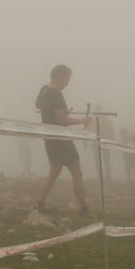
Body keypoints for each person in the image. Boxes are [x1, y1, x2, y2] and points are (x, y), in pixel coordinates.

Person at [35, 64, 91, 213]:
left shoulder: (44, 90)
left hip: (49, 136)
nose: (67, 83)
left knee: (54, 171)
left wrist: (62, 110)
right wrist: (83, 121)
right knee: (77, 172)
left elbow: (39, 106)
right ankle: (84, 208)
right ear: (60, 76)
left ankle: (40, 204)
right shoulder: (56, 94)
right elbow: (62, 121)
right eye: (67, 79)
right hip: (61, 138)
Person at [90, 104, 114, 182]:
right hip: (96, 142)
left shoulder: (104, 119)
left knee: (105, 160)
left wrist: (111, 141)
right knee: (99, 160)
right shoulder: (93, 119)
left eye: (99, 109)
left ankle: (107, 177)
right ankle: (101, 177)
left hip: (104, 141)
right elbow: (89, 130)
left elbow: (111, 130)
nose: (98, 110)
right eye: (98, 109)